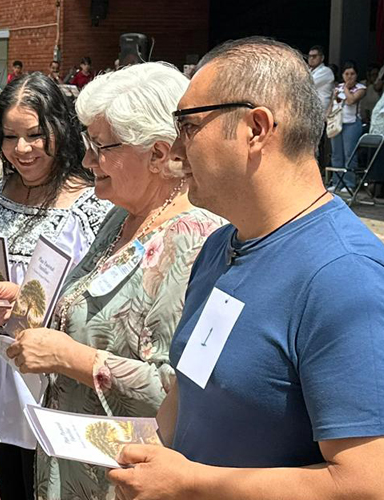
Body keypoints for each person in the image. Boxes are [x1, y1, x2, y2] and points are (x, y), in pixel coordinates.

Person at [106, 36, 384, 500]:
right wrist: (147, 460)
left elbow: (367, 482)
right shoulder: (222, 244)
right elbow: (191, 387)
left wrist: (189, 484)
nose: (174, 150)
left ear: (256, 128)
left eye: (188, 126)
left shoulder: (345, 276)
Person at [0, 62, 225, 500]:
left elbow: (184, 390)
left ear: (158, 154)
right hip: (79, 465)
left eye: (100, 147)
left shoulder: (196, 240)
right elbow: (88, 305)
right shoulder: (121, 216)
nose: (87, 161)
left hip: (129, 477)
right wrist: (23, 299)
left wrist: (72, 359)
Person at [0, 73, 112, 500]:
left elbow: (101, 297)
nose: (22, 149)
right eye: (10, 137)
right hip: (4, 372)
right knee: (12, 484)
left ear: (61, 131)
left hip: (61, 376)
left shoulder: (94, 205)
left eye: (35, 135)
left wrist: (26, 303)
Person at [328, 61, 367, 191]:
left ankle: (349, 183)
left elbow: (351, 100)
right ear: (342, 75)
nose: (349, 77)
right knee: (336, 154)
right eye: (346, 74)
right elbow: (332, 104)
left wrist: (346, 88)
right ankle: (337, 182)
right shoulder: (337, 88)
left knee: (349, 154)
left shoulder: (361, 88)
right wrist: (327, 116)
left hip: (352, 123)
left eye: (352, 74)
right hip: (337, 122)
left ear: (356, 75)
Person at [308, 45, 335, 112]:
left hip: (321, 110)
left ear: (322, 58)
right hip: (310, 110)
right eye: (309, 56)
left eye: (314, 56)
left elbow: (306, 84)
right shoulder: (309, 71)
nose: (311, 58)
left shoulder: (326, 71)